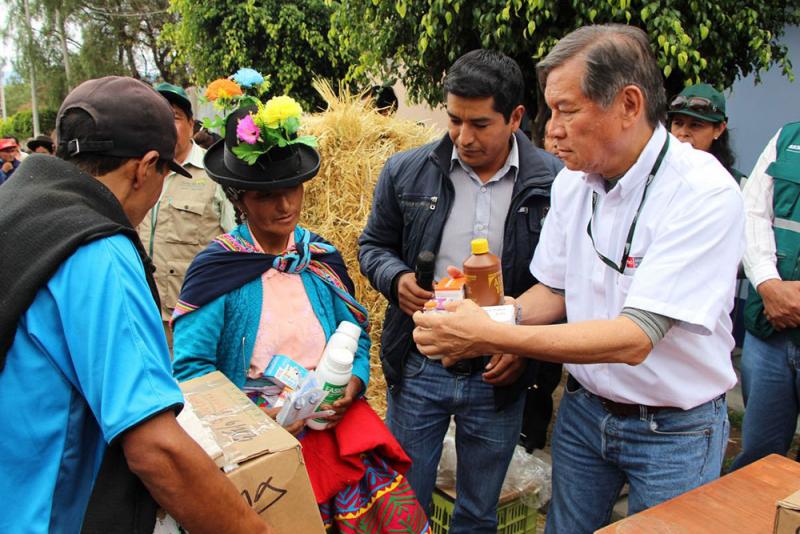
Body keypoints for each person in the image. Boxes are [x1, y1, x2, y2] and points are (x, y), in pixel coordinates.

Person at [413, 24, 745, 534]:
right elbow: (554, 289)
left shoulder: (703, 194)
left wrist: (487, 332)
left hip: (673, 429)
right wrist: (480, 313)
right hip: (585, 414)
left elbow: (636, 338)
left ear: (629, 104)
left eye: (568, 110)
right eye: (551, 111)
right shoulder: (574, 182)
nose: (551, 130)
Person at [0, 76, 269, 533]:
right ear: (146, 167)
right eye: (165, 172)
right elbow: (156, 449)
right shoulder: (98, 250)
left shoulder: (15, 207)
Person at [171, 102, 430, 533]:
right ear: (239, 199)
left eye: (293, 188)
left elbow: (355, 336)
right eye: (266, 195)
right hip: (265, 443)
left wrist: (354, 380)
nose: (285, 204)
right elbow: (193, 371)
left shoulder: (319, 257)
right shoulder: (218, 269)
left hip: (334, 427)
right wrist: (256, 423)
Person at [359, 49, 562, 532]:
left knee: (477, 511)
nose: (463, 137)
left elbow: (560, 283)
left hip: (497, 372)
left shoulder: (556, 184)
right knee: (403, 504)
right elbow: (373, 245)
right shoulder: (406, 171)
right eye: (454, 120)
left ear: (515, 117)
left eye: (480, 124)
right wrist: (397, 279)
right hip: (421, 362)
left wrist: (520, 346)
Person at [137, 82, 235, 347]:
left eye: (174, 117)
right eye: (155, 119)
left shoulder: (215, 173)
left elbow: (237, 247)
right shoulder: (138, 173)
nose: (164, 126)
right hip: (142, 319)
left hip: (194, 321)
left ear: (192, 124)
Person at [729, 121, 800, 470]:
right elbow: (751, 213)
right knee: (758, 459)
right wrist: (769, 285)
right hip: (769, 332)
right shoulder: (788, 139)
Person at [668, 83, 746, 181]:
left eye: (695, 125)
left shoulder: (738, 185)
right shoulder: (653, 177)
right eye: (678, 123)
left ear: (719, 129)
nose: (683, 133)